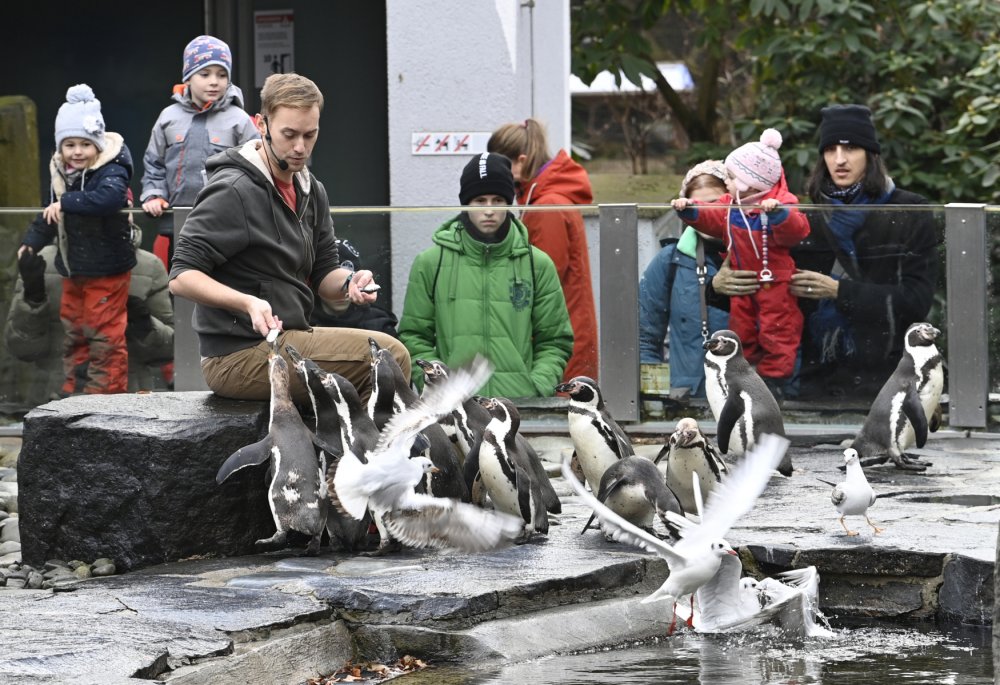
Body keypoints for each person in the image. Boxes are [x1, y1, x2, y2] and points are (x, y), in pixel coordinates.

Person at [168, 72, 409, 403]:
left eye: (310, 135)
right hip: (236, 357)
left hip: (288, 338)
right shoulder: (233, 190)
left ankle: (351, 454)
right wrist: (247, 302)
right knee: (389, 356)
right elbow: (181, 276)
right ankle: (376, 454)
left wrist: (349, 283)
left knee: (384, 359)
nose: (300, 147)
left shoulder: (312, 190)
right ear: (261, 124)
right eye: (289, 134)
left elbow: (325, 273)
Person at [788, 104, 940, 397]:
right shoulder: (805, 214)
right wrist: (716, 288)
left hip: (888, 377)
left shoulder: (909, 210)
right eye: (830, 149)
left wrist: (839, 291)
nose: (840, 159)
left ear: (871, 154)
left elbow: (917, 301)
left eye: (852, 148)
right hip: (817, 380)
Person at [398, 152, 574, 398]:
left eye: (498, 200)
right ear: (466, 204)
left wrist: (535, 387)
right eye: (480, 200)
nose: (489, 210)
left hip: (519, 409)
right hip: (455, 409)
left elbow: (555, 340)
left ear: (508, 203)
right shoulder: (430, 263)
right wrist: (438, 386)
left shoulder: (537, 264)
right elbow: (414, 337)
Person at [672, 129, 810, 394]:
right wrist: (690, 209)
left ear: (749, 182)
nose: (728, 183)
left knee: (778, 327)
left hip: (775, 280)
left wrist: (779, 214)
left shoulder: (781, 203)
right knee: (741, 326)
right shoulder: (730, 204)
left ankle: (776, 377)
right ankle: (745, 369)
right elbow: (711, 217)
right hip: (742, 279)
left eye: (733, 177)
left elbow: (797, 229)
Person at [18, 84, 135, 395]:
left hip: (108, 271)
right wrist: (30, 243)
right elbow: (49, 214)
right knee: (75, 333)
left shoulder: (112, 168)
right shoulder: (60, 171)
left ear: (97, 144)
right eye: (69, 144)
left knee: (104, 335)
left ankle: (105, 399)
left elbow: (108, 199)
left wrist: (65, 203)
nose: (77, 151)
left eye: (85, 143)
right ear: (60, 147)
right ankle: (75, 394)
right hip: (74, 269)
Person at [487, 119, 598, 382]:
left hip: (556, 340)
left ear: (521, 161)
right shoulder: (547, 198)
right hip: (564, 331)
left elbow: (541, 281)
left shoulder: (547, 207)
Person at [6, 228, 174, 400]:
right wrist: (33, 301)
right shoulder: (43, 261)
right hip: (56, 397)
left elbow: (169, 352)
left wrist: (144, 325)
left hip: (129, 399)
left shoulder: (148, 265)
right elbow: (21, 349)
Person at [140, 35, 259, 266]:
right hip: (178, 223)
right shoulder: (168, 117)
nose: (214, 81)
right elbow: (154, 163)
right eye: (205, 74)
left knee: (223, 286)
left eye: (222, 74)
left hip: (226, 223)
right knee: (183, 286)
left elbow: (257, 169)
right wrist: (154, 194)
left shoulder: (240, 120)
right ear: (188, 77)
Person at [638, 161, 730, 398]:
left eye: (714, 204)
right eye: (695, 205)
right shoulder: (670, 261)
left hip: (749, 399)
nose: (706, 213)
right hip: (689, 401)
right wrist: (653, 398)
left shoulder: (761, 256)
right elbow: (645, 338)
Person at [309, 238, 400, 338]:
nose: (343, 292)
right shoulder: (300, 323)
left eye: (350, 283)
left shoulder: (379, 327)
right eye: (336, 283)